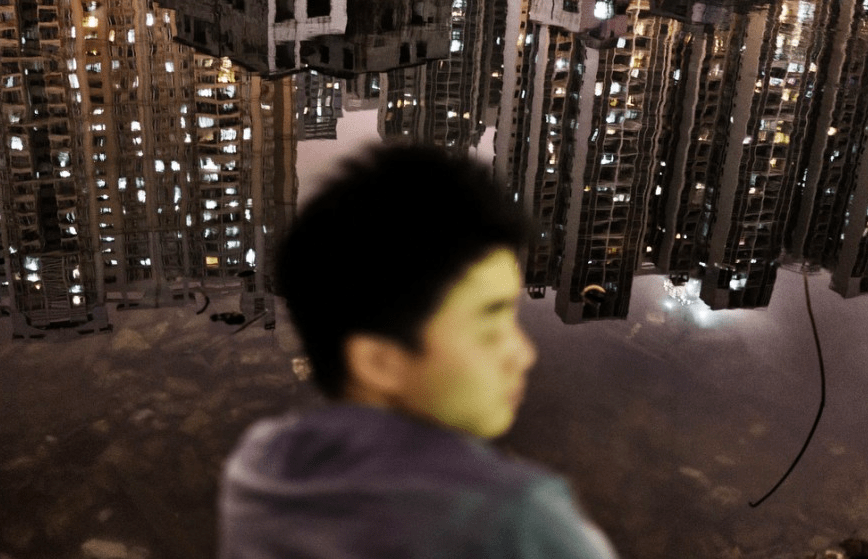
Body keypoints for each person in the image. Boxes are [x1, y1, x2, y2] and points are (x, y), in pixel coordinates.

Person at [218, 143, 617, 559]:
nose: (523, 353)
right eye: (490, 323)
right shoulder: (515, 522)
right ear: (378, 361)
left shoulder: (259, 468)